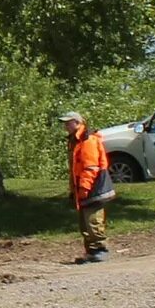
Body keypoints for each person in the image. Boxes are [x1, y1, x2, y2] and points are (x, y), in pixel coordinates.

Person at [64, 110, 111, 264]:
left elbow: (91, 167)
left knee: (93, 219)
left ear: (77, 123)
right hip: (83, 187)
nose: (65, 126)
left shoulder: (88, 140)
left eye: (68, 122)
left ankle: (100, 249)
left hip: (94, 186)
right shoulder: (75, 140)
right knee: (85, 221)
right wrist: (74, 190)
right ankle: (91, 251)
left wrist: (84, 187)